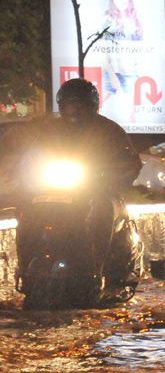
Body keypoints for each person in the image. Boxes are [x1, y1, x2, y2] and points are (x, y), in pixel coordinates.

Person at [18, 79, 143, 287]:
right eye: (68, 104)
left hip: (98, 192)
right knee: (25, 211)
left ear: (91, 105)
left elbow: (130, 162)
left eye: (78, 104)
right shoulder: (49, 130)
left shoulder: (109, 130)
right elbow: (30, 158)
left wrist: (109, 177)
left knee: (102, 210)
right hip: (53, 190)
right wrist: (24, 176)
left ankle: (96, 271)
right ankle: (26, 271)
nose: (73, 109)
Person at [101, 0, 144, 100]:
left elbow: (140, 50)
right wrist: (111, 75)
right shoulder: (108, 21)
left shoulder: (136, 22)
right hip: (111, 70)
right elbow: (102, 51)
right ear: (113, 2)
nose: (121, 0)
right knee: (96, 106)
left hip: (130, 72)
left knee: (130, 114)